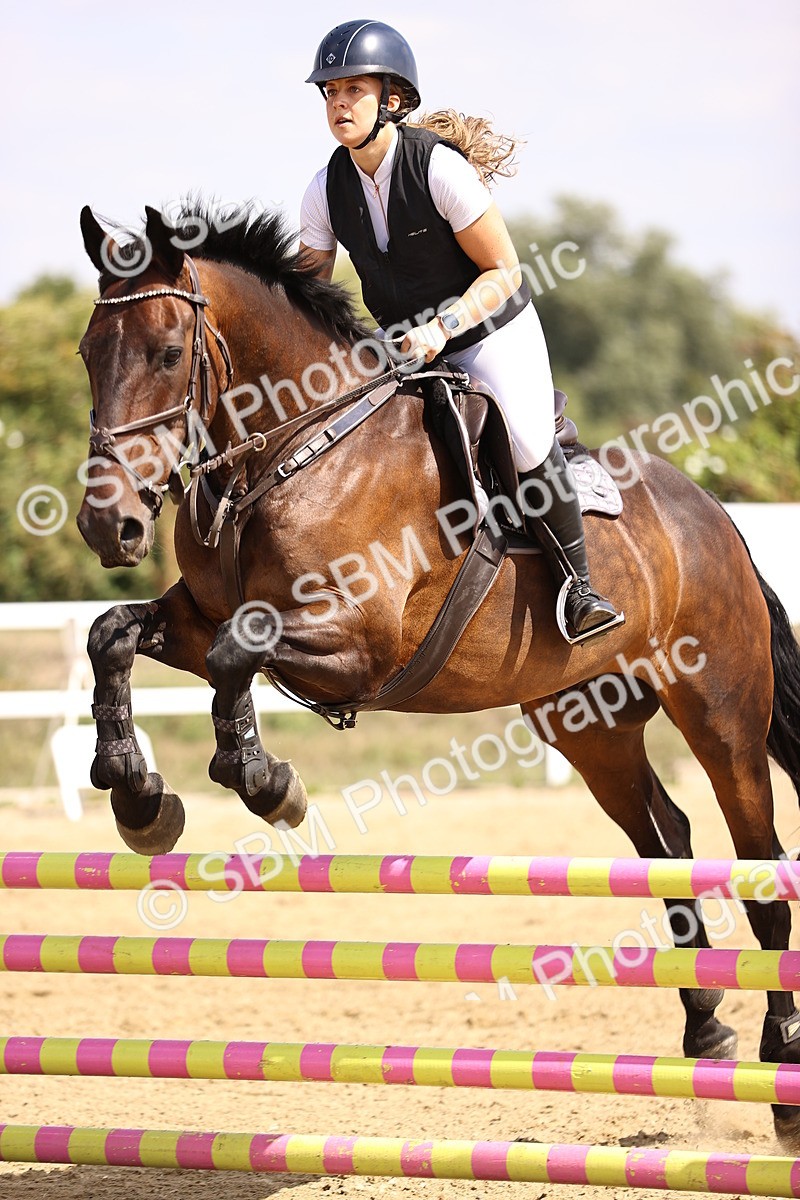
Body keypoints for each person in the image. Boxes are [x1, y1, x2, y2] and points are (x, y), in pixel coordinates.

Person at [299, 19, 623, 642]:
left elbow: (503, 270)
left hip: (491, 332)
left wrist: (443, 327)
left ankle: (580, 589)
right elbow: (306, 292)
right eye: (329, 92)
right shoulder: (324, 188)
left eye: (352, 90)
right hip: (403, 346)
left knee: (526, 442)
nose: (337, 103)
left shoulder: (439, 169)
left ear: (391, 99)